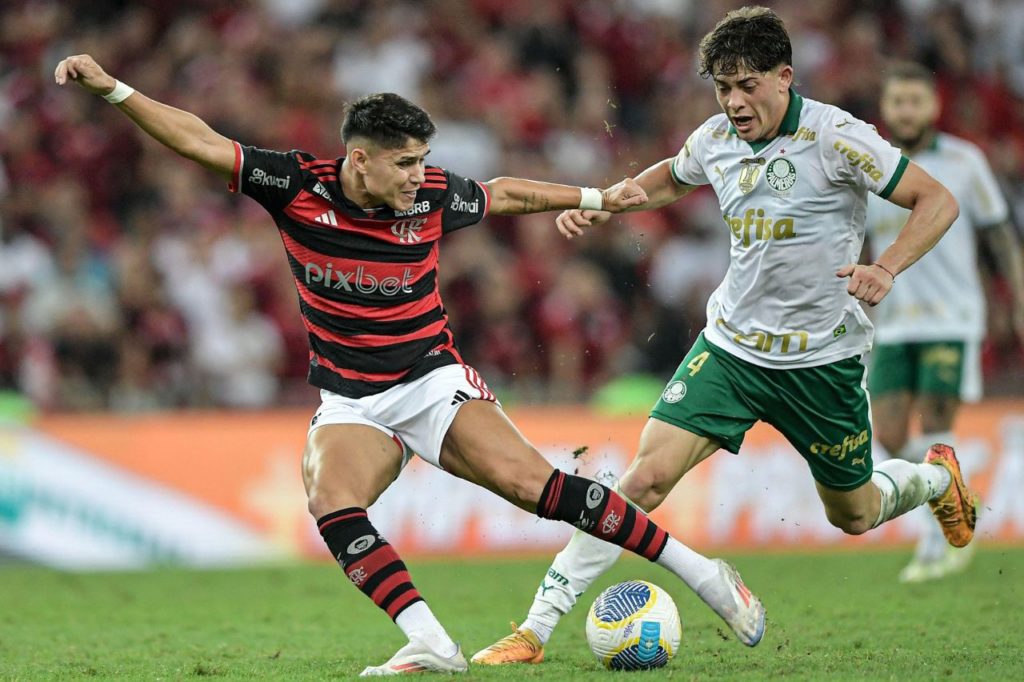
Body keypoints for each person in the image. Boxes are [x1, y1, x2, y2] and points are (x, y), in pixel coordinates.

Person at [53, 54, 768, 678]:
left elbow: (507, 191)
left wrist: (594, 198)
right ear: (358, 159)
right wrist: (114, 88)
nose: (419, 175)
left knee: (537, 487)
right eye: (404, 162)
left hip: (430, 381)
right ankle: (430, 643)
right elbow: (200, 142)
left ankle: (706, 576)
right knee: (330, 502)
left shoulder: (429, 198)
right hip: (351, 400)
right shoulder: (297, 186)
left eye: (423, 160)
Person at [472, 6, 976, 666]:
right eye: (722, 87)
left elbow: (936, 200)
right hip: (731, 350)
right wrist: (605, 203)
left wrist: (885, 267)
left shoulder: (838, 137)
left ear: (783, 78)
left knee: (853, 514)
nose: (734, 101)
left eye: (746, 85)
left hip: (821, 361)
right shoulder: (716, 138)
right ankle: (535, 630)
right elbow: (670, 175)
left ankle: (935, 482)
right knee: (643, 480)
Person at [864, 62, 1024, 583]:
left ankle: (935, 545)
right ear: (886, 110)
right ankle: (954, 486)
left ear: (933, 106)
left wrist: (1019, 299)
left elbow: (1000, 234)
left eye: (915, 101)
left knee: (934, 428)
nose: (906, 111)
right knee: (887, 434)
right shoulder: (873, 166)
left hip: (952, 318)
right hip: (892, 322)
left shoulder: (964, 161)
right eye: (897, 102)